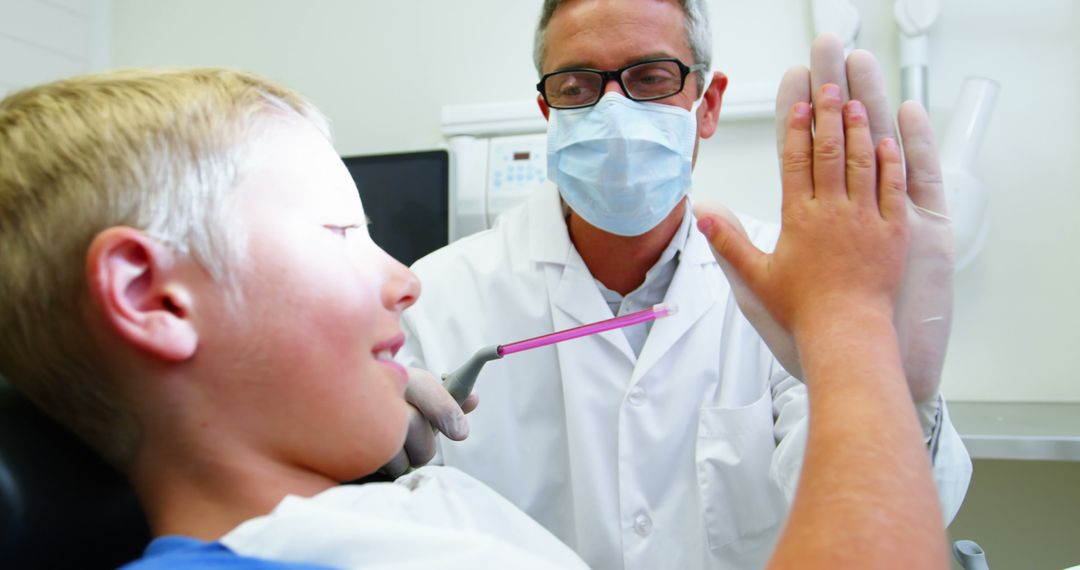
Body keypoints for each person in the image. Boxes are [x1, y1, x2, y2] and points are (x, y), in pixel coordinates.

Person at [0, 66, 948, 568]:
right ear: (153, 298)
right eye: (341, 230)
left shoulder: (394, 517)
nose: (405, 284)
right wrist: (852, 326)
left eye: (651, 78)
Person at [394, 1, 971, 568]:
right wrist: (363, 455)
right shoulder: (436, 299)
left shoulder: (800, 286)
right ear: (549, 111)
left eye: (650, 77)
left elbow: (880, 528)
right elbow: (384, 532)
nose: (613, 111)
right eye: (577, 85)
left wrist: (890, 391)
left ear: (707, 103)